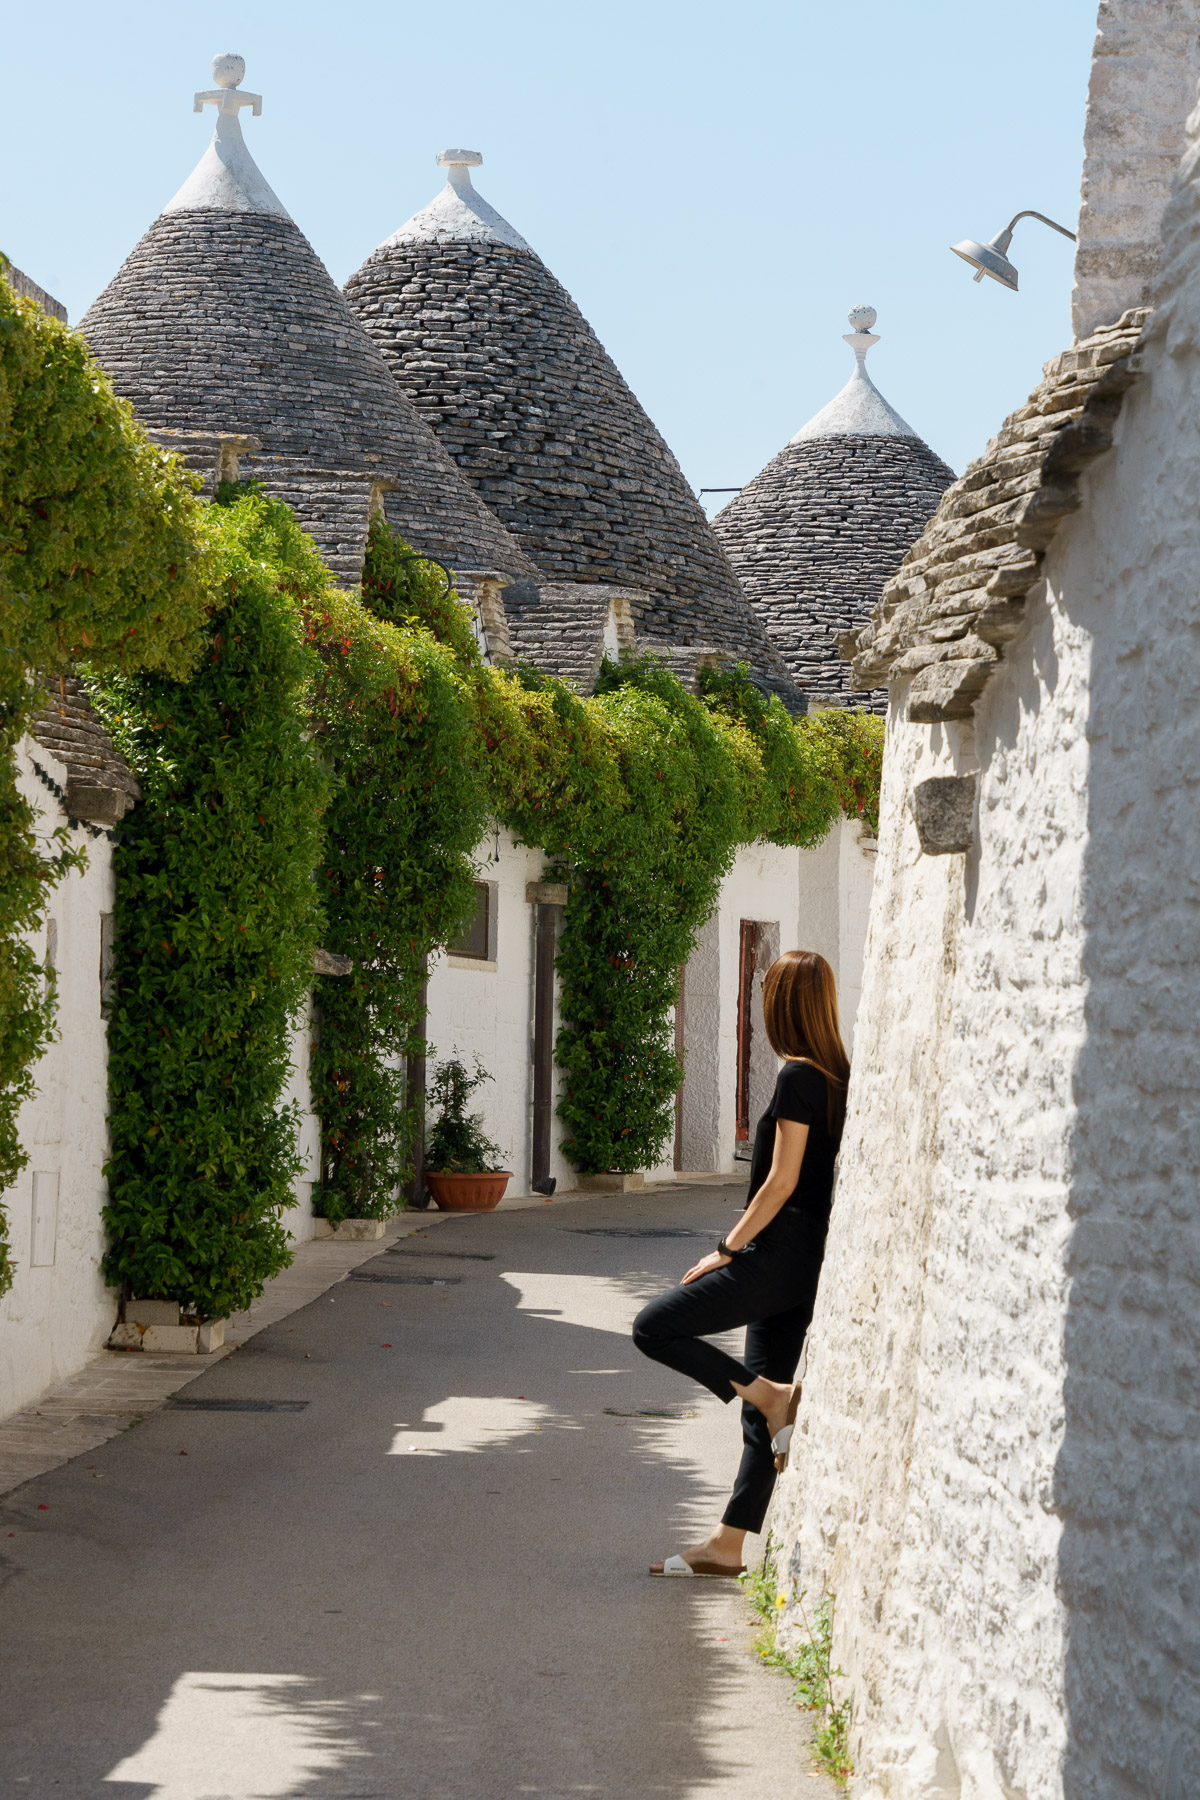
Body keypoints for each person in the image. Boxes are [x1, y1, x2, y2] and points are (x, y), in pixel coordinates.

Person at [632, 949, 849, 1577]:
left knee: (654, 1326)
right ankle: (729, 1545)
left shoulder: (797, 1077)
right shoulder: (838, 1076)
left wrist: (726, 1249)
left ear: (780, 1006)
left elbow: (780, 1182)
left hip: (776, 1255)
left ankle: (772, 1397)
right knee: (763, 1408)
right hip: (807, 1262)